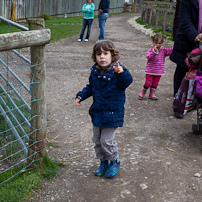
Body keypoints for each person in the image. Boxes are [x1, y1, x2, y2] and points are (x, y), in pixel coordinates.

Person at [75, 40, 133, 178]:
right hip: (98, 113)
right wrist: (81, 95)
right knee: (96, 140)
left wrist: (121, 73)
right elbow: (91, 87)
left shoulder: (117, 71)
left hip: (112, 113)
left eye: (105, 53)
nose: (102, 57)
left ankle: (114, 161)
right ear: (94, 56)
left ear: (112, 55)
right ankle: (103, 161)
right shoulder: (95, 71)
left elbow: (127, 81)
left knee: (106, 141)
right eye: (98, 54)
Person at [170, 0, 202, 118]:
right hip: (187, 40)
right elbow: (184, 20)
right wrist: (195, 35)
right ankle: (179, 103)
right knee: (183, 70)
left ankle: (197, 100)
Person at [138, 34, 173, 100]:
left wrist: (176, 46)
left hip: (159, 71)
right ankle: (143, 92)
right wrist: (154, 52)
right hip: (150, 71)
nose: (158, 45)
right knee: (148, 83)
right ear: (153, 42)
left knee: (155, 84)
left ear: (162, 43)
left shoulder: (163, 51)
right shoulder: (150, 50)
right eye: (156, 43)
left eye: (159, 43)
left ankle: (151, 94)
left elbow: (170, 51)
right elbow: (148, 57)